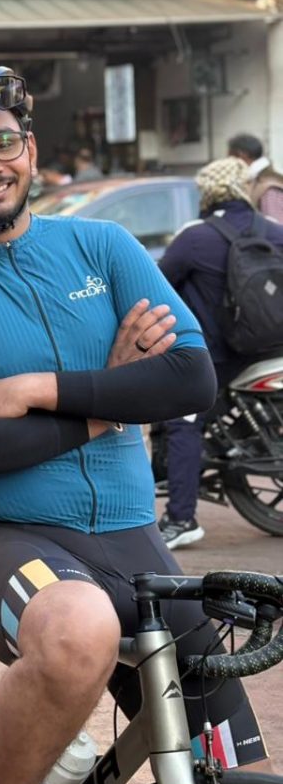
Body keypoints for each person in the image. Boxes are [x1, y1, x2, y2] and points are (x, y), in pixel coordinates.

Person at [0, 57, 279, 784]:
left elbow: (189, 377)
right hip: (3, 538)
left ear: (30, 149)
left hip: (134, 543)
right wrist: (112, 400)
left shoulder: (103, 246)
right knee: (79, 630)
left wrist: (33, 389)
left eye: (3, 142)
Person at [156, 155, 283, 548]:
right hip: (269, 348)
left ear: (207, 193)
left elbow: (155, 284)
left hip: (217, 358)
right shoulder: (275, 230)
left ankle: (181, 519)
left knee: (183, 421)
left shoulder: (195, 238)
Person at [228, 131, 283, 223]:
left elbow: (277, 225)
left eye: (230, 157)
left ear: (242, 155)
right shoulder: (259, 180)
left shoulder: (268, 186)